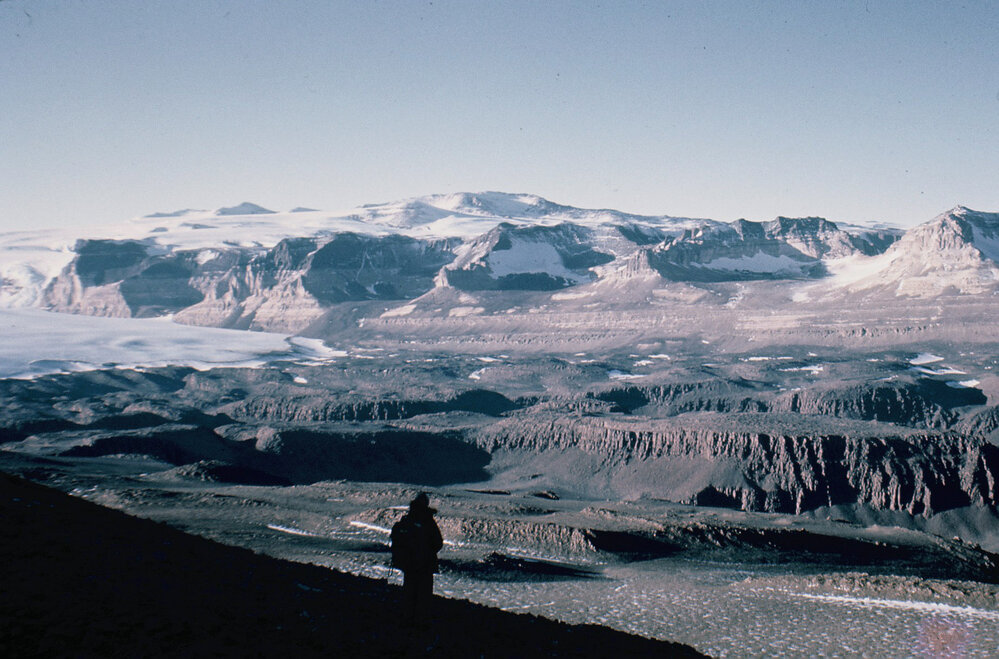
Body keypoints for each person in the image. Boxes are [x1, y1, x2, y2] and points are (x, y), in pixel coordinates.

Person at [390, 492, 443, 626]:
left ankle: (407, 619)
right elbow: (438, 542)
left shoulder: (408, 519)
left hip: (409, 564)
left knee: (409, 592)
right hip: (425, 565)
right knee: (424, 595)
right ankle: (421, 622)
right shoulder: (428, 520)